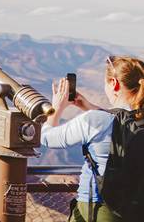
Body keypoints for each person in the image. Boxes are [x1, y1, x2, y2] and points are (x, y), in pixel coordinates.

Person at [42, 55, 144, 222]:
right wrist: (89, 106)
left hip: (98, 210)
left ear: (114, 83)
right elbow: (123, 119)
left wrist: (55, 109)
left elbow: (46, 138)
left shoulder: (94, 120)